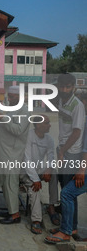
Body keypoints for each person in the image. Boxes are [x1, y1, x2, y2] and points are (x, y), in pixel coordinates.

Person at [0, 85, 30, 224]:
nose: (9, 99)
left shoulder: (24, 110)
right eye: (8, 96)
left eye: (12, 97)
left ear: (19, 97)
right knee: (5, 183)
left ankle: (15, 215)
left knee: (11, 183)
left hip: (13, 153)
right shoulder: (10, 107)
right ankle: (11, 209)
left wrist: (3, 119)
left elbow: (18, 130)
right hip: (4, 151)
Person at [56, 73, 85, 238]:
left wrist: (62, 151)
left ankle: (70, 228)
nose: (64, 89)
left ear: (73, 87)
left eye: (68, 87)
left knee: (68, 192)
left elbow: (76, 133)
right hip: (62, 149)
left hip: (71, 153)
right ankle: (68, 225)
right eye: (62, 86)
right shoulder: (61, 100)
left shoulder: (77, 105)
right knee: (65, 189)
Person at [20, 115, 59, 234]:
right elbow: (27, 160)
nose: (50, 125)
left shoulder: (49, 139)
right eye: (47, 123)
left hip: (38, 170)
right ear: (38, 125)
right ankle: (36, 220)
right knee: (34, 186)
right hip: (25, 172)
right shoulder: (29, 136)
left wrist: (49, 169)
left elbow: (51, 157)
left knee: (54, 174)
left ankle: (51, 206)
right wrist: (36, 179)